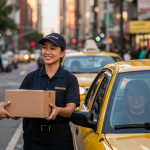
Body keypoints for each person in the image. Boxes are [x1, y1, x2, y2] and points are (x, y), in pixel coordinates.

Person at [18, 33, 80, 150]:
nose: (47, 52)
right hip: (33, 136)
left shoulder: (70, 79)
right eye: (45, 47)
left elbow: (71, 110)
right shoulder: (31, 77)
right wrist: (11, 111)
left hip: (60, 136)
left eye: (53, 48)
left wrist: (58, 110)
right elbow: (20, 105)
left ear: (62, 53)